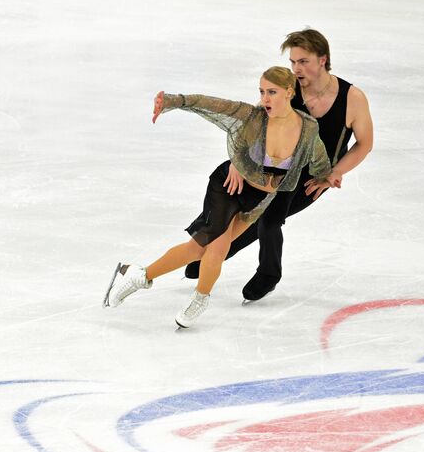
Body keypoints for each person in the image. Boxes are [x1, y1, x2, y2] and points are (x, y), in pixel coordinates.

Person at [104, 67, 330, 329]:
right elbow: (212, 105)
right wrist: (174, 101)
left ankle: (137, 276)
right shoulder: (253, 116)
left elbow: (318, 158)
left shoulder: (308, 128)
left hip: (258, 201)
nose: (265, 98)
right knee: (218, 247)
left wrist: (327, 176)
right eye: (262, 92)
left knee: (198, 249)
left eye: (272, 92)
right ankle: (200, 299)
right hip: (228, 186)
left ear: (290, 92)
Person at [183, 28, 375, 302]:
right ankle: (207, 252)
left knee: (268, 219)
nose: (296, 68)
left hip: (313, 177)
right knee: (241, 209)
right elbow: (252, 123)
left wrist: (335, 172)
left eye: (303, 61)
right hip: (277, 165)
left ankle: (268, 273)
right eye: (293, 62)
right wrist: (238, 162)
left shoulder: (352, 98)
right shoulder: (289, 89)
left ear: (323, 59)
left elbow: (364, 143)